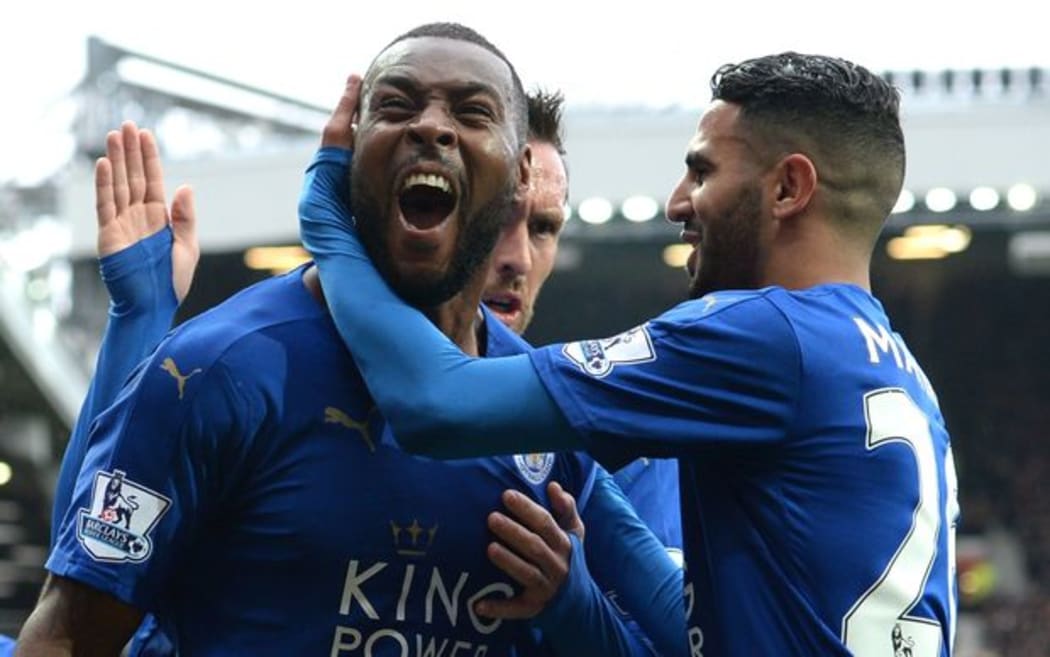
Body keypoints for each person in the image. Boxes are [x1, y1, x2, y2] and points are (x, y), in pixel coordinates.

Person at [17, 23, 681, 657]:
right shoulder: (216, 369)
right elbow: (71, 631)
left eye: (473, 113)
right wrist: (137, 323)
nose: (430, 125)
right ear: (345, 157)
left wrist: (579, 608)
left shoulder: (545, 416)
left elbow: (689, 629)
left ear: (518, 179)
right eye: (395, 105)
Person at [300, 51, 960, 655]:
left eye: (702, 171)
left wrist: (327, 220)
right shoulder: (904, 378)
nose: (678, 202)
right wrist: (581, 541)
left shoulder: (765, 336)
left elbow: (433, 404)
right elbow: (704, 628)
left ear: (788, 188)